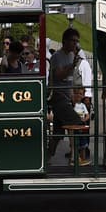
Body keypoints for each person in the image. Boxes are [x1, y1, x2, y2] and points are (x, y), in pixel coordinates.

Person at [46, 28, 85, 161]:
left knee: (58, 131)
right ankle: (76, 157)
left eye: (77, 41)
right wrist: (72, 66)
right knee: (76, 122)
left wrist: (73, 96)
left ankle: (47, 156)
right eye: (73, 41)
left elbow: (70, 79)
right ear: (64, 41)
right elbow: (59, 75)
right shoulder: (57, 56)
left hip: (66, 96)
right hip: (58, 96)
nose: (75, 44)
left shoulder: (71, 55)